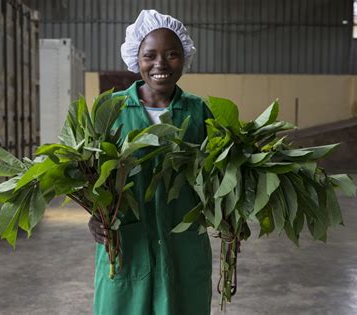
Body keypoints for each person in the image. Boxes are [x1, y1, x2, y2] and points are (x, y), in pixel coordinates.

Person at [88, 9, 213, 315]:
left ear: (184, 58)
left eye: (172, 54)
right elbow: (90, 174)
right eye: (150, 55)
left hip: (184, 246)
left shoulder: (198, 112)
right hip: (127, 244)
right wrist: (95, 215)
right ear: (136, 58)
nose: (160, 64)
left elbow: (217, 171)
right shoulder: (113, 110)